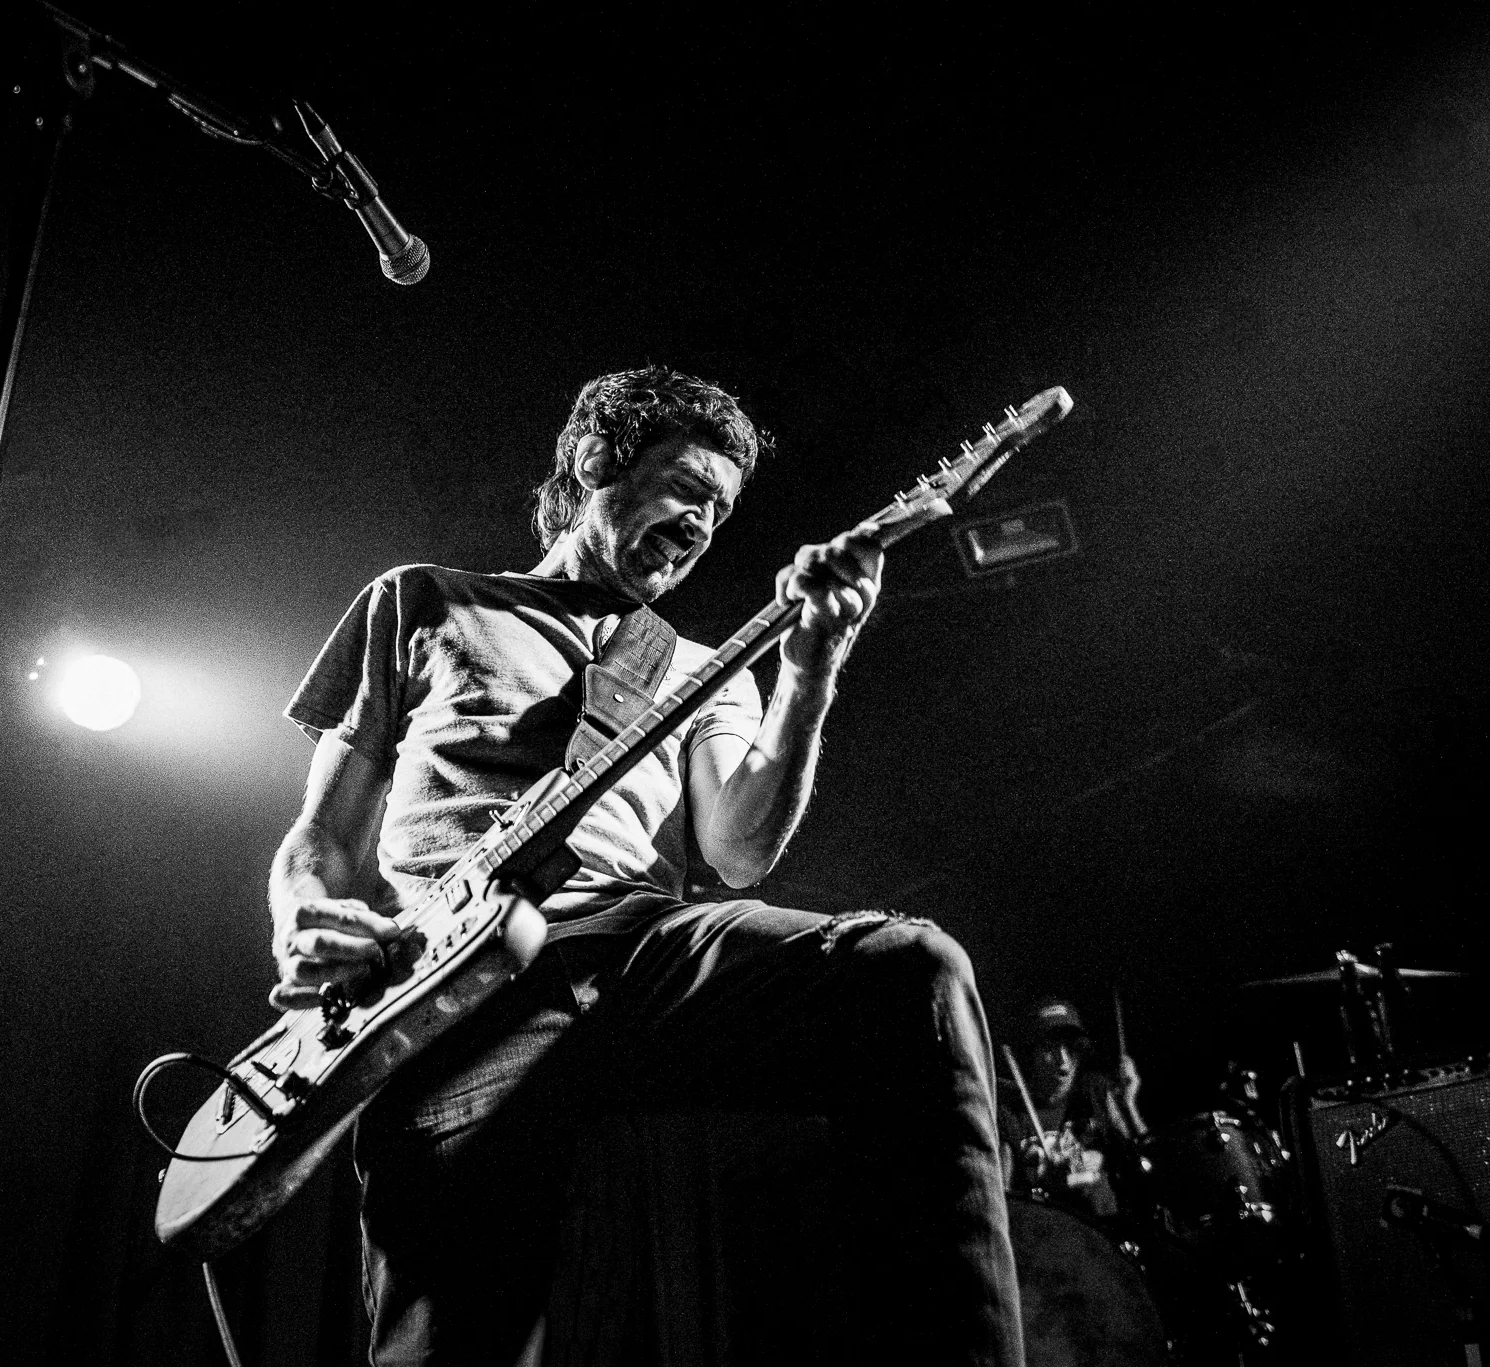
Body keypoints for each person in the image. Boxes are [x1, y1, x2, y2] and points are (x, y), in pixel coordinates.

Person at [267, 366, 1026, 1366]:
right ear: (595, 462)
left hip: (632, 949)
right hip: (444, 986)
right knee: (446, 1333)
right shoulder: (423, 600)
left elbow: (740, 850)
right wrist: (302, 911)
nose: (702, 524)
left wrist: (811, 668)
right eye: (688, 489)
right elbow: (321, 834)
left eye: (721, 511)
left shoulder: (705, 668)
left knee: (908, 970)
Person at [997, 998, 1146, 1221]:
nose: (1063, 1059)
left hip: (1106, 1231)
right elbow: (1003, 1200)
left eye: (1071, 1047)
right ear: (1032, 1054)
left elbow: (1144, 1161)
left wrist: (1130, 1106)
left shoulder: (1096, 1093)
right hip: (1047, 1232)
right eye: (1050, 1047)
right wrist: (1048, 1182)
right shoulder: (1010, 1114)